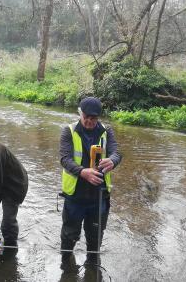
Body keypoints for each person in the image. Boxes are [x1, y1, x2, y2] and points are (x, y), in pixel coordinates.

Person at [59, 97, 122, 269]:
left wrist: (113, 161)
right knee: (69, 233)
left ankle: (92, 263)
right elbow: (65, 159)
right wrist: (83, 172)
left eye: (93, 118)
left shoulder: (106, 131)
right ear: (80, 113)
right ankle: (66, 263)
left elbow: (116, 152)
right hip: (75, 196)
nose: (89, 121)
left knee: (95, 235)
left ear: (98, 117)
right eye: (86, 117)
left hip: (99, 196)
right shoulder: (68, 131)